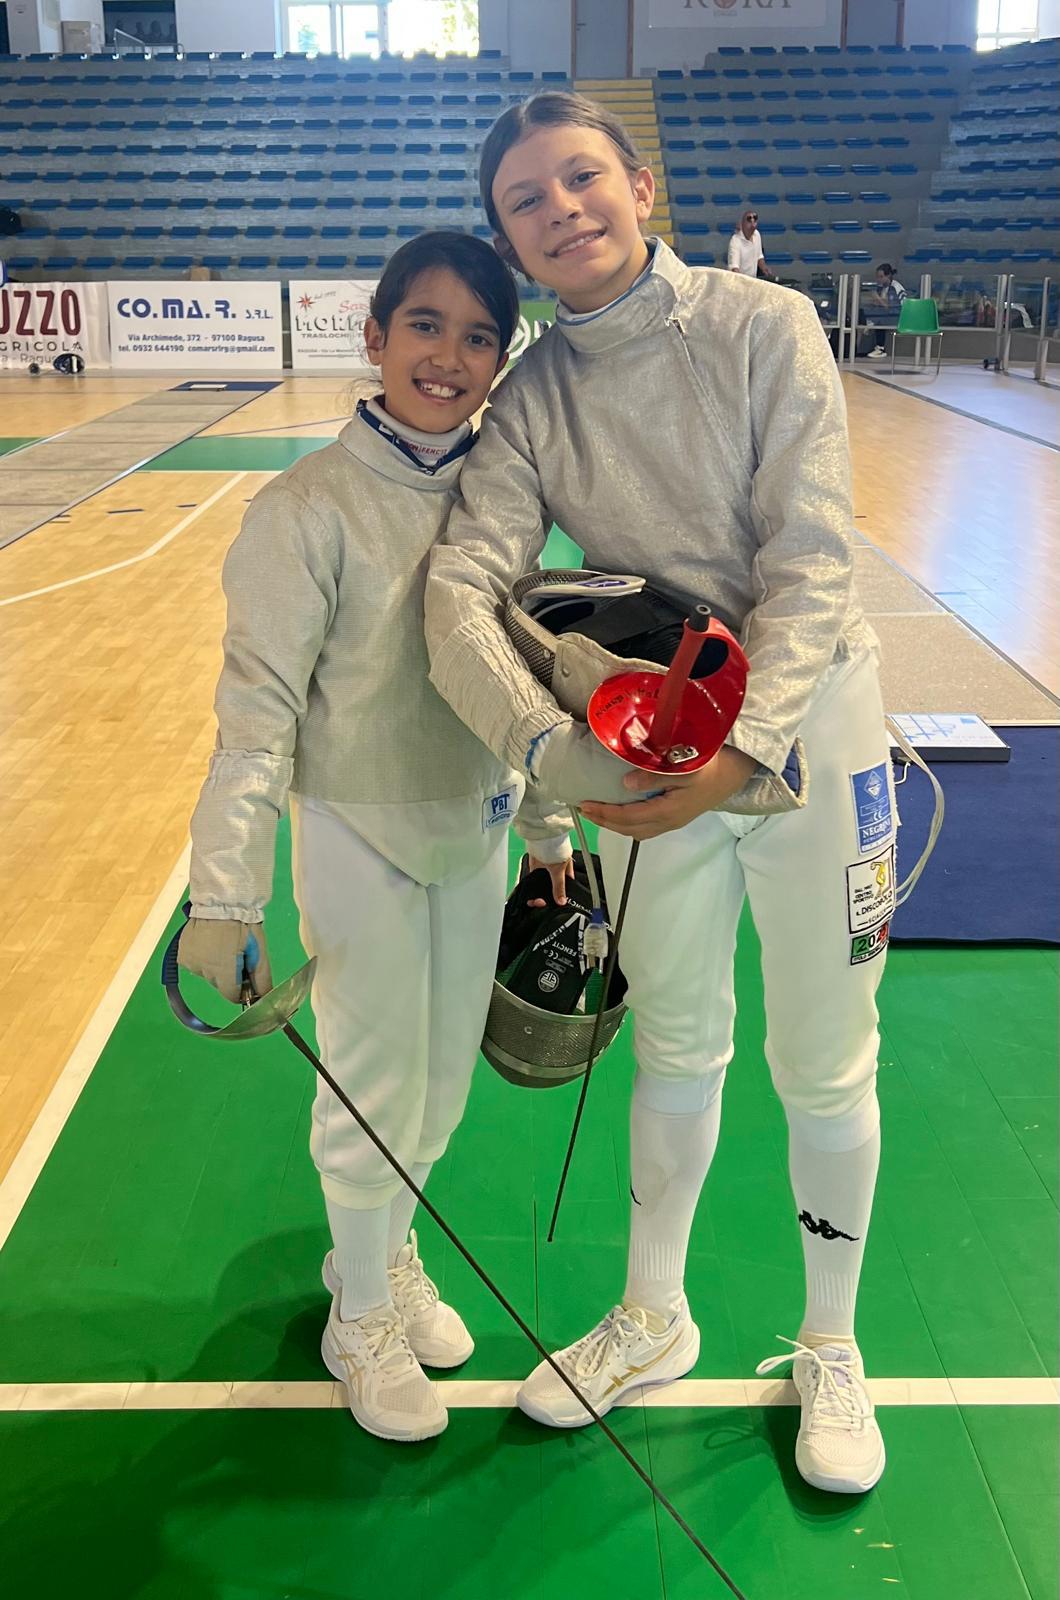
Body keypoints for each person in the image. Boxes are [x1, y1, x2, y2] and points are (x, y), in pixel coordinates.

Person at [425, 92, 895, 1496]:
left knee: (825, 1053)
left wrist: (750, 755)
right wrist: (546, 755)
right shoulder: (531, 400)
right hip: (650, 744)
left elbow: (813, 555)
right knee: (677, 1041)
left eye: (581, 178)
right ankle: (653, 1311)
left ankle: (831, 1340)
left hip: (812, 730)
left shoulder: (768, 325)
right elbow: (465, 584)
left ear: (641, 186)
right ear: (509, 237)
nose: (559, 210)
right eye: (525, 199)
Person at [178, 231, 569, 1445]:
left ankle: (380, 1256)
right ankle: (357, 1317)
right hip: (359, 831)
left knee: (441, 1083)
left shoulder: (500, 504)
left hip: (480, 822)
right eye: (425, 326)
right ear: (375, 336)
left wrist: (548, 820)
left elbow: (524, 672)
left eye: (477, 336)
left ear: (500, 358)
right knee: (371, 1085)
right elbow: (255, 716)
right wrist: (224, 897)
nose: (448, 357)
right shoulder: (305, 507)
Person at [866, 262, 907, 359]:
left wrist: (878, 299)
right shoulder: (881, 288)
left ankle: (880, 348)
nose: (878, 279)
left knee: (879, 320)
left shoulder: (895, 287)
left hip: (898, 316)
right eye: (877, 277)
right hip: (887, 314)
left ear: (888, 276)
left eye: (881, 277)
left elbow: (890, 307)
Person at [727, 206, 774, 281]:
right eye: (749, 219)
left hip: (752, 280)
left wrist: (764, 267)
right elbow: (734, 268)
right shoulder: (735, 241)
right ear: (742, 223)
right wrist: (743, 282)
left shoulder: (757, 235)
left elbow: (759, 256)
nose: (752, 221)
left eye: (755, 218)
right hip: (739, 281)